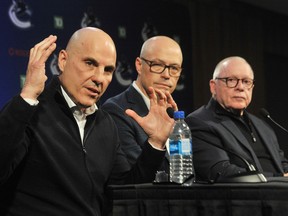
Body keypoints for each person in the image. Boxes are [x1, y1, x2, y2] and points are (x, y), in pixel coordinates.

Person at [0, 27, 177, 215]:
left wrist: (156, 143)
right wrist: (27, 94)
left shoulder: (106, 124)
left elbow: (124, 191)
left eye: (108, 70)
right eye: (90, 63)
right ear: (63, 60)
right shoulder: (30, 110)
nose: (99, 78)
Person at [185, 56, 288, 183]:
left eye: (246, 82)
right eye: (231, 80)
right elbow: (221, 172)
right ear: (213, 86)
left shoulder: (262, 126)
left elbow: (282, 165)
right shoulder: (199, 122)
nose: (240, 87)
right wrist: (278, 178)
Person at [102, 36, 183, 173]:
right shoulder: (117, 110)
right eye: (158, 65)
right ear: (139, 65)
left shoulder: (173, 115)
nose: (167, 75)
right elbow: (136, 176)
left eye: (174, 68)